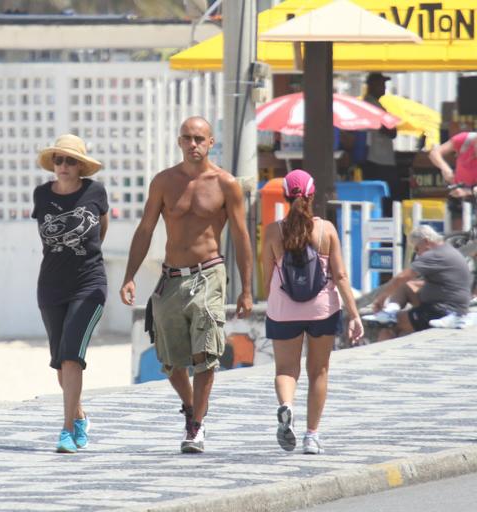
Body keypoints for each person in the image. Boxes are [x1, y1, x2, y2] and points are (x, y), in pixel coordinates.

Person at [120, 116, 253, 454]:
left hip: (209, 272)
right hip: (172, 277)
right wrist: (129, 275)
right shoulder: (164, 182)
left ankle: (195, 425)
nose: (193, 144)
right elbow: (146, 228)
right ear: (179, 142)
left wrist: (247, 289)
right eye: (186, 138)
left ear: (210, 143)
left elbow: (241, 237)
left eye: (199, 138)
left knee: (206, 352)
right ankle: (193, 406)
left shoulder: (226, 184)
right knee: (169, 358)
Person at [262, 169, 363, 455]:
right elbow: (340, 276)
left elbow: (267, 276)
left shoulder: (272, 231)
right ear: (312, 195)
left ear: (284, 195)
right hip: (322, 310)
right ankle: (311, 436)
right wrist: (354, 314)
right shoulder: (326, 230)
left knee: (285, 370)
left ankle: (286, 406)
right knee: (318, 370)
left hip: (283, 310)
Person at [32, 134, 108, 454]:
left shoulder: (95, 192)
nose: (63, 166)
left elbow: (101, 229)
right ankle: (79, 417)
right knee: (61, 365)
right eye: (59, 160)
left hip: (89, 285)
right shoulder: (41, 195)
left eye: (70, 161)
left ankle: (66, 431)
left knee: (71, 356)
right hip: (51, 287)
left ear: (81, 166)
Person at [363, 224, 471, 339]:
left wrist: (381, 298)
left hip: (443, 310)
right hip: (453, 304)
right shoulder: (447, 249)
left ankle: (385, 347)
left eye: (417, 249)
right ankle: (391, 310)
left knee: (389, 326)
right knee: (405, 286)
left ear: (426, 241)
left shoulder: (434, 255)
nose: (418, 254)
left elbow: (401, 277)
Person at [362, 72, 399, 215]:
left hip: (379, 158)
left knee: (385, 197)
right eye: (380, 84)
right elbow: (391, 131)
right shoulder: (371, 105)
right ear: (372, 86)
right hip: (378, 159)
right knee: (386, 197)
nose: (383, 87)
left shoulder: (375, 104)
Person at [428, 131, 477, 231]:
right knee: (457, 234)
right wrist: (445, 168)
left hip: (472, 192)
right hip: (458, 192)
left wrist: (468, 191)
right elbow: (434, 153)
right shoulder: (466, 139)